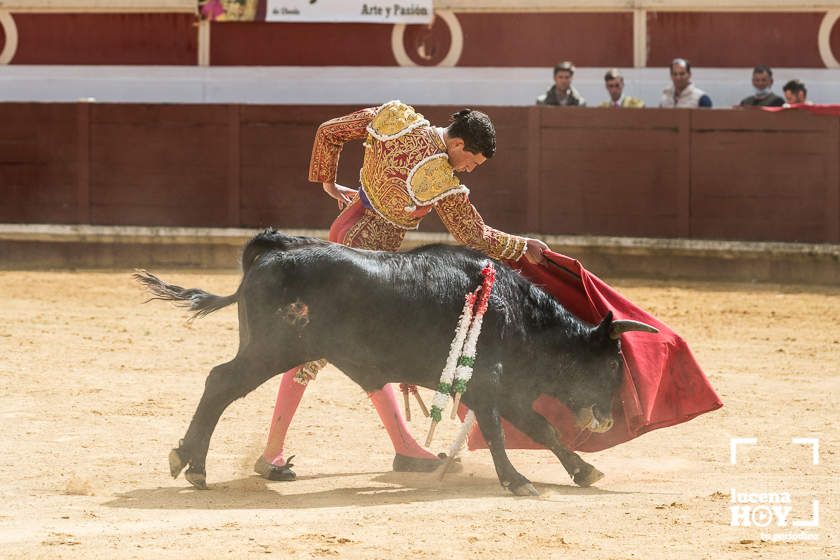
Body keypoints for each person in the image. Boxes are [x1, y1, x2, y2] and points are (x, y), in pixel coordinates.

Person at [254, 101, 550, 481]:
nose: (468, 170)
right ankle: (273, 452)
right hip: (364, 262)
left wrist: (329, 184)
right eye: (470, 162)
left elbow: (329, 131)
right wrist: (521, 245)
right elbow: (473, 234)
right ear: (457, 144)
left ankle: (402, 447)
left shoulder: (397, 117)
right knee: (315, 352)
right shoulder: (438, 176)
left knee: (367, 352)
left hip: (347, 233)